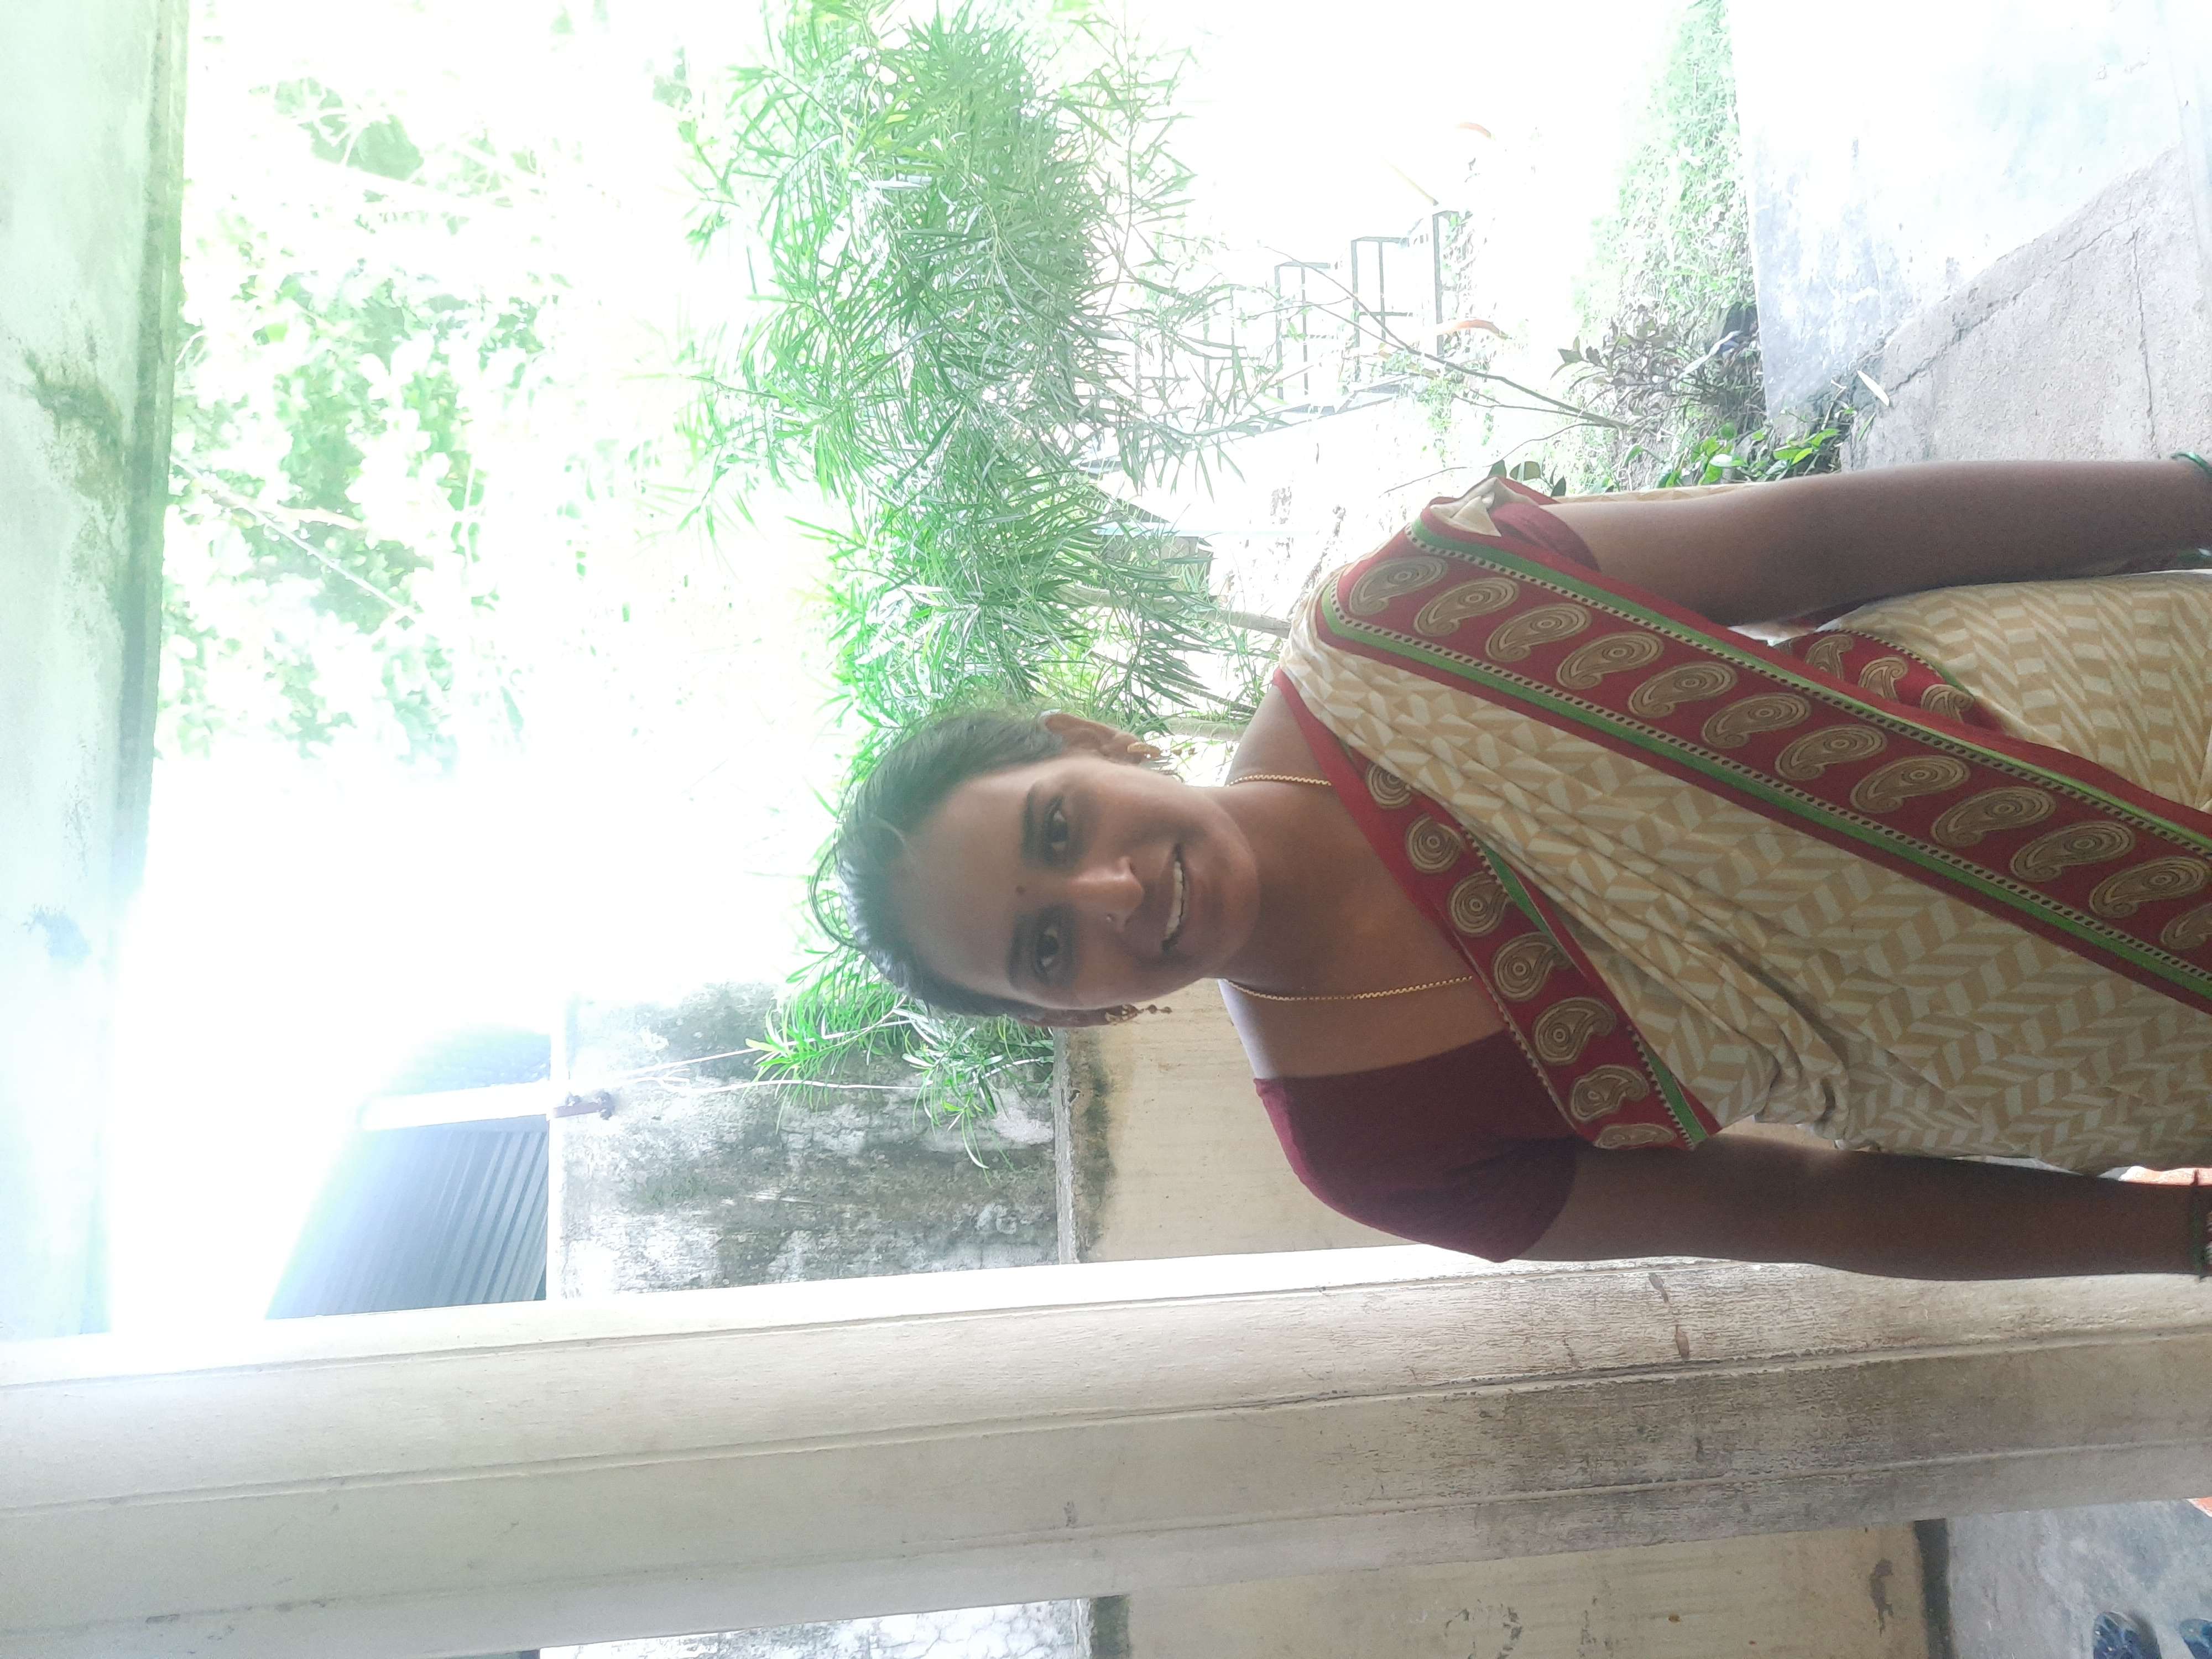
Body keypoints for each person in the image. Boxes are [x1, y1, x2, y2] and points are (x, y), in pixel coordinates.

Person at [827, 459, 2212, 1279]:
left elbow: (1810, 540)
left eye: (1056, 830)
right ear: (1074, 1015)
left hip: (2138, 700)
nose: (1113, 895)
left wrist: (2192, 491)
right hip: (2131, 1060)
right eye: (1046, 948)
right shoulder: (1374, 1144)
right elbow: (1801, 1205)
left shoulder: (1405, 618)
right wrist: (2179, 1244)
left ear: (1089, 743)